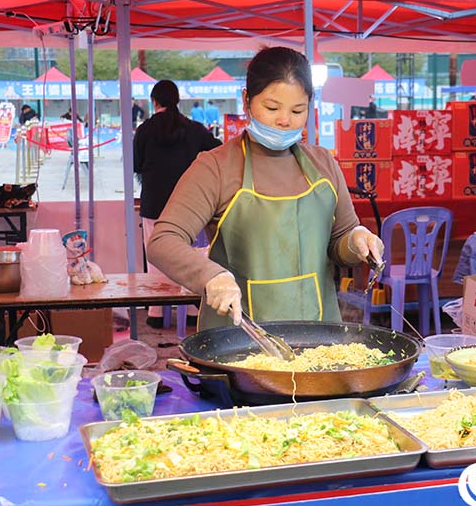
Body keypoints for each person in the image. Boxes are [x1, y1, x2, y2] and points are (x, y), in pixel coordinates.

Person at [147, 46, 384, 330]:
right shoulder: (215, 167)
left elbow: (339, 242)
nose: (284, 120)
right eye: (272, 108)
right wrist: (211, 276)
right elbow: (163, 241)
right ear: (247, 100)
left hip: (319, 337)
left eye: (298, 110)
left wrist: (357, 240)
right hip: (238, 340)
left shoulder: (323, 164)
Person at [134, 80, 222, 328]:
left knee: (156, 258)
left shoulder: (145, 129)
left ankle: (156, 315)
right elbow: (218, 152)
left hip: (154, 204)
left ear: (155, 102)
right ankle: (194, 312)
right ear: (177, 101)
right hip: (193, 206)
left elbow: (136, 165)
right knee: (191, 258)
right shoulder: (195, 129)